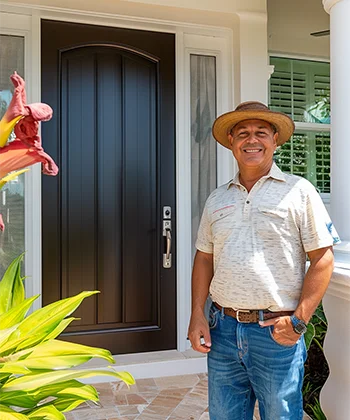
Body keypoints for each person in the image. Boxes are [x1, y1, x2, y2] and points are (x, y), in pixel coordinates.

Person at [187, 101, 339, 420]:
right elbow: (204, 258)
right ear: (231, 141)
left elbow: (323, 258)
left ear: (274, 140)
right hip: (223, 329)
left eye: (260, 132)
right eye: (243, 133)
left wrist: (298, 321)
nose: (251, 140)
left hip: (275, 333)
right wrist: (197, 315)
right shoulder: (218, 198)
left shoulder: (299, 191)